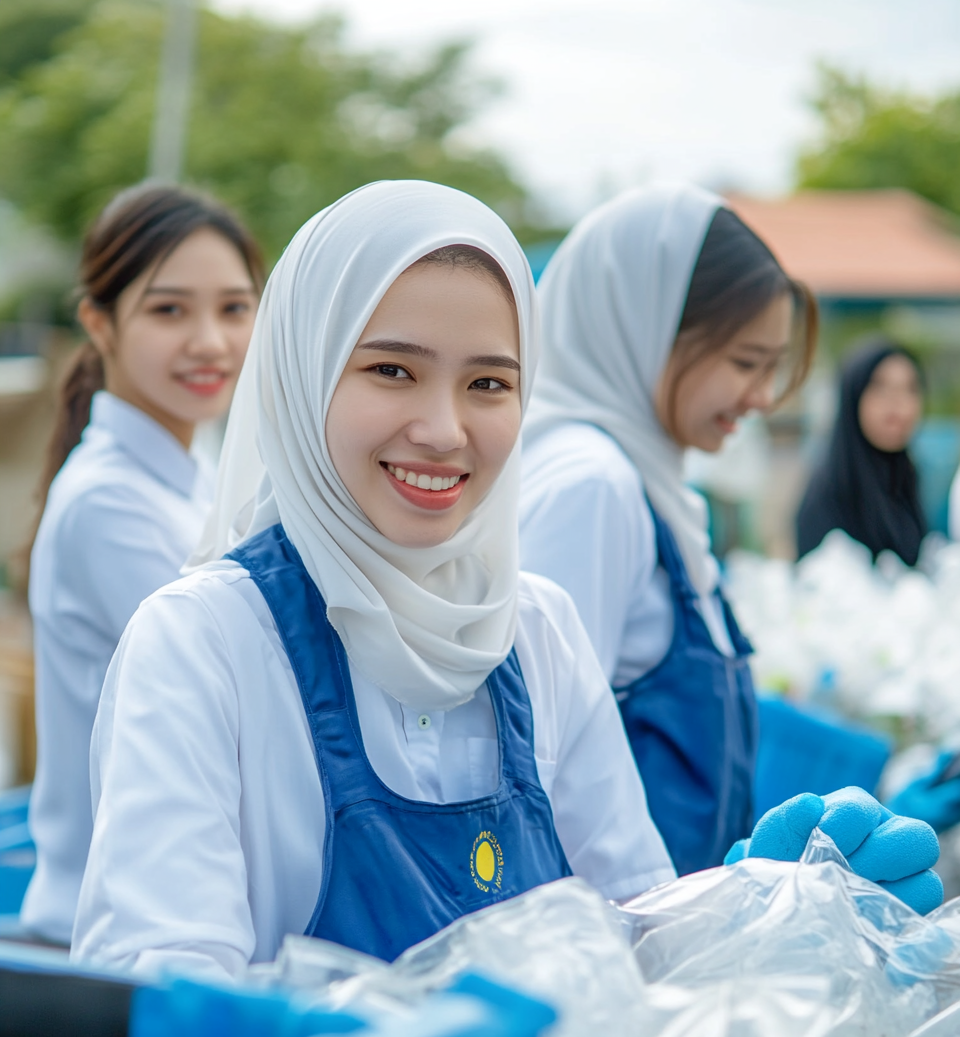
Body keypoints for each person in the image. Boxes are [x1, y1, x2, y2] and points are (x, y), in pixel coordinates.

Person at [71, 182, 941, 981]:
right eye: (391, 370)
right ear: (301, 376)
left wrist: (766, 914)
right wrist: (436, 1031)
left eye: (489, 382)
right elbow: (166, 1003)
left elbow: (633, 938)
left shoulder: (536, 628)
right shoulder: (205, 642)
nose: (445, 429)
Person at [519, 183, 817, 876]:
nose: (763, 398)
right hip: (626, 939)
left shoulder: (649, 482)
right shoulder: (591, 487)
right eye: (746, 363)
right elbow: (543, 763)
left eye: (772, 368)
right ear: (642, 330)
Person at [23, 184, 263, 944]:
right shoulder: (109, 504)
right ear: (98, 323)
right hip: (116, 931)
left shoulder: (190, 474)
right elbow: (246, 693)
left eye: (233, 308)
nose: (210, 342)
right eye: (169, 310)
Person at [796, 338, 927, 565]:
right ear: (853, 396)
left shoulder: (906, 479)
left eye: (910, 389)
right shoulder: (830, 490)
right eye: (880, 388)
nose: (898, 402)